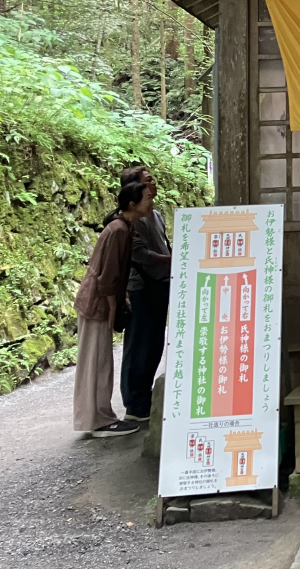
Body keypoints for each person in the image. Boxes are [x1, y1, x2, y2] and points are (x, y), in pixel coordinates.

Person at [73, 180, 152, 436]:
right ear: (132, 204)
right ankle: (99, 421)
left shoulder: (124, 226)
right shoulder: (118, 230)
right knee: (97, 362)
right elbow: (107, 277)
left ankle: (96, 417)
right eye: (147, 198)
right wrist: (112, 309)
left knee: (98, 362)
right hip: (97, 303)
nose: (151, 202)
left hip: (98, 301)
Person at [119, 165, 172, 422]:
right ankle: (134, 402)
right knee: (139, 344)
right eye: (147, 180)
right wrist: (170, 260)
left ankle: (145, 397)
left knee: (154, 343)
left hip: (160, 284)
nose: (153, 184)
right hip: (141, 287)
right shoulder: (130, 220)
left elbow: (163, 244)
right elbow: (138, 254)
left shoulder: (155, 214)